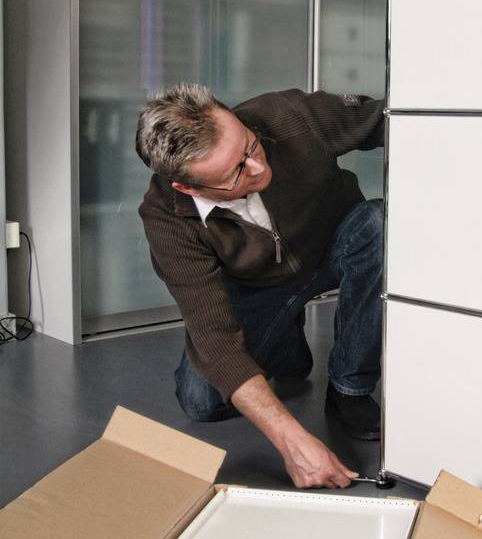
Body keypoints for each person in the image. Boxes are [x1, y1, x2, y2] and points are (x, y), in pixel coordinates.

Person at [135, 83, 385, 490]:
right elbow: (215, 340)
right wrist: (292, 442)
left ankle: (349, 388)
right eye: (234, 172)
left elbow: (397, 119)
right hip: (255, 288)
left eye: (249, 146)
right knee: (201, 403)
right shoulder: (167, 221)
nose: (258, 169)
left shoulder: (290, 117)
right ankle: (284, 336)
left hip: (334, 244)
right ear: (187, 187)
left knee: (378, 223)